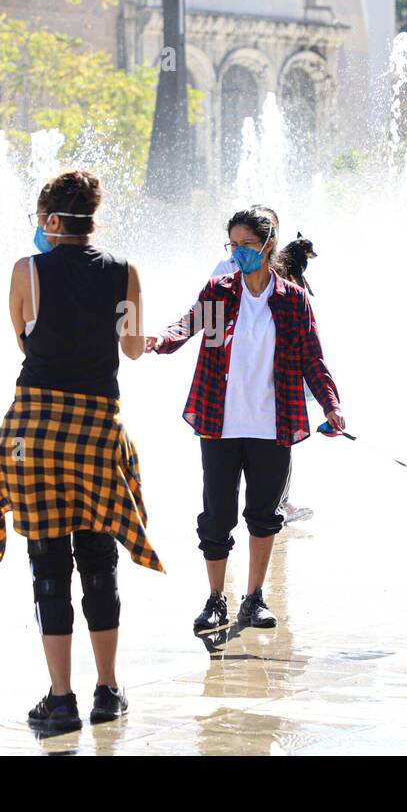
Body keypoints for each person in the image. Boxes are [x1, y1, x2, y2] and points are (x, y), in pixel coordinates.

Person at [0, 169, 160, 734]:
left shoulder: (25, 271)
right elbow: (131, 350)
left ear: (53, 221)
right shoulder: (126, 272)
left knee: (49, 565)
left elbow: (22, 336)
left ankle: (61, 700)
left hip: (35, 430)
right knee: (99, 562)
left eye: (39, 220)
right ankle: (108, 691)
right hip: (97, 429)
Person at [149, 206, 345, 633]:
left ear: (268, 245)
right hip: (220, 421)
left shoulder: (293, 301)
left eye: (246, 246)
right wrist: (161, 340)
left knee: (264, 515)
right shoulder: (219, 291)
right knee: (216, 516)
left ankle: (254, 598)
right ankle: (216, 599)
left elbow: (313, 358)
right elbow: (188, 324)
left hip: (272, 425)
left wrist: (331, 404)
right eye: (232, 246)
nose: (238, 254)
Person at [206, 207, 315, 526]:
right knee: (224, 472)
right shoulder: (224, 270)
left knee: (280, 444)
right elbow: (210, 327)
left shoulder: (282, 272)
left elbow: (301, 327)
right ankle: (227, 517)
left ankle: (280, 503)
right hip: (234, 381)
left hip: (275, 380)